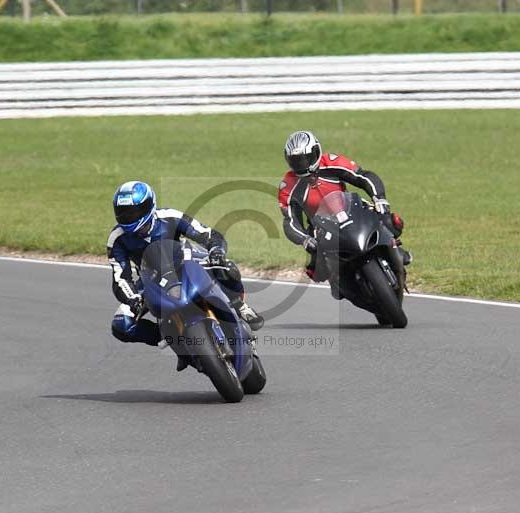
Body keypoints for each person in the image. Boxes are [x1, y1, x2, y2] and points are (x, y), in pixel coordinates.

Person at [108, 180, 264, 369]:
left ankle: (239, 305)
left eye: (133, 212)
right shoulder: (117, 238)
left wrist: (216, 251)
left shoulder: (169, 216)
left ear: (149, 206)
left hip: (186, 259)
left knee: (226, 268)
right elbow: (120, 277)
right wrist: (132, 298)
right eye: (123, 213)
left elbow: (207, 234)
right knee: (121, 325)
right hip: (150, 278)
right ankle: (172, 339)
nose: (128, 217)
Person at [278, 130, 411, 298]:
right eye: (295, 161)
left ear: (316, 152)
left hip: (351, 210)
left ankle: (397, 252)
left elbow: (363, 177)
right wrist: (305, 239)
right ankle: (344, 284)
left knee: (389, 220)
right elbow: (290, 221)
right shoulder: (288, 186)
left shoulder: (331, 162)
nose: (301, 164)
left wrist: (380, 199)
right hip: (321, 228)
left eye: (305, 158)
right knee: (318, 271)